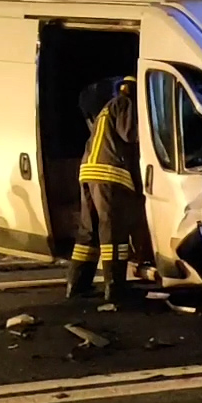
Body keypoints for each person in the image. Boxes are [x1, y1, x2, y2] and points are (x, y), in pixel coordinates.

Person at [66, 76, 141, 303]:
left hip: (88, 169)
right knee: (113, 232)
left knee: (88, 231)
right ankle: (115, 289)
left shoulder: (106, 109)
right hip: (108, 173)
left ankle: (76, 285)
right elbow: (129, 134)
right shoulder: (125, 104)